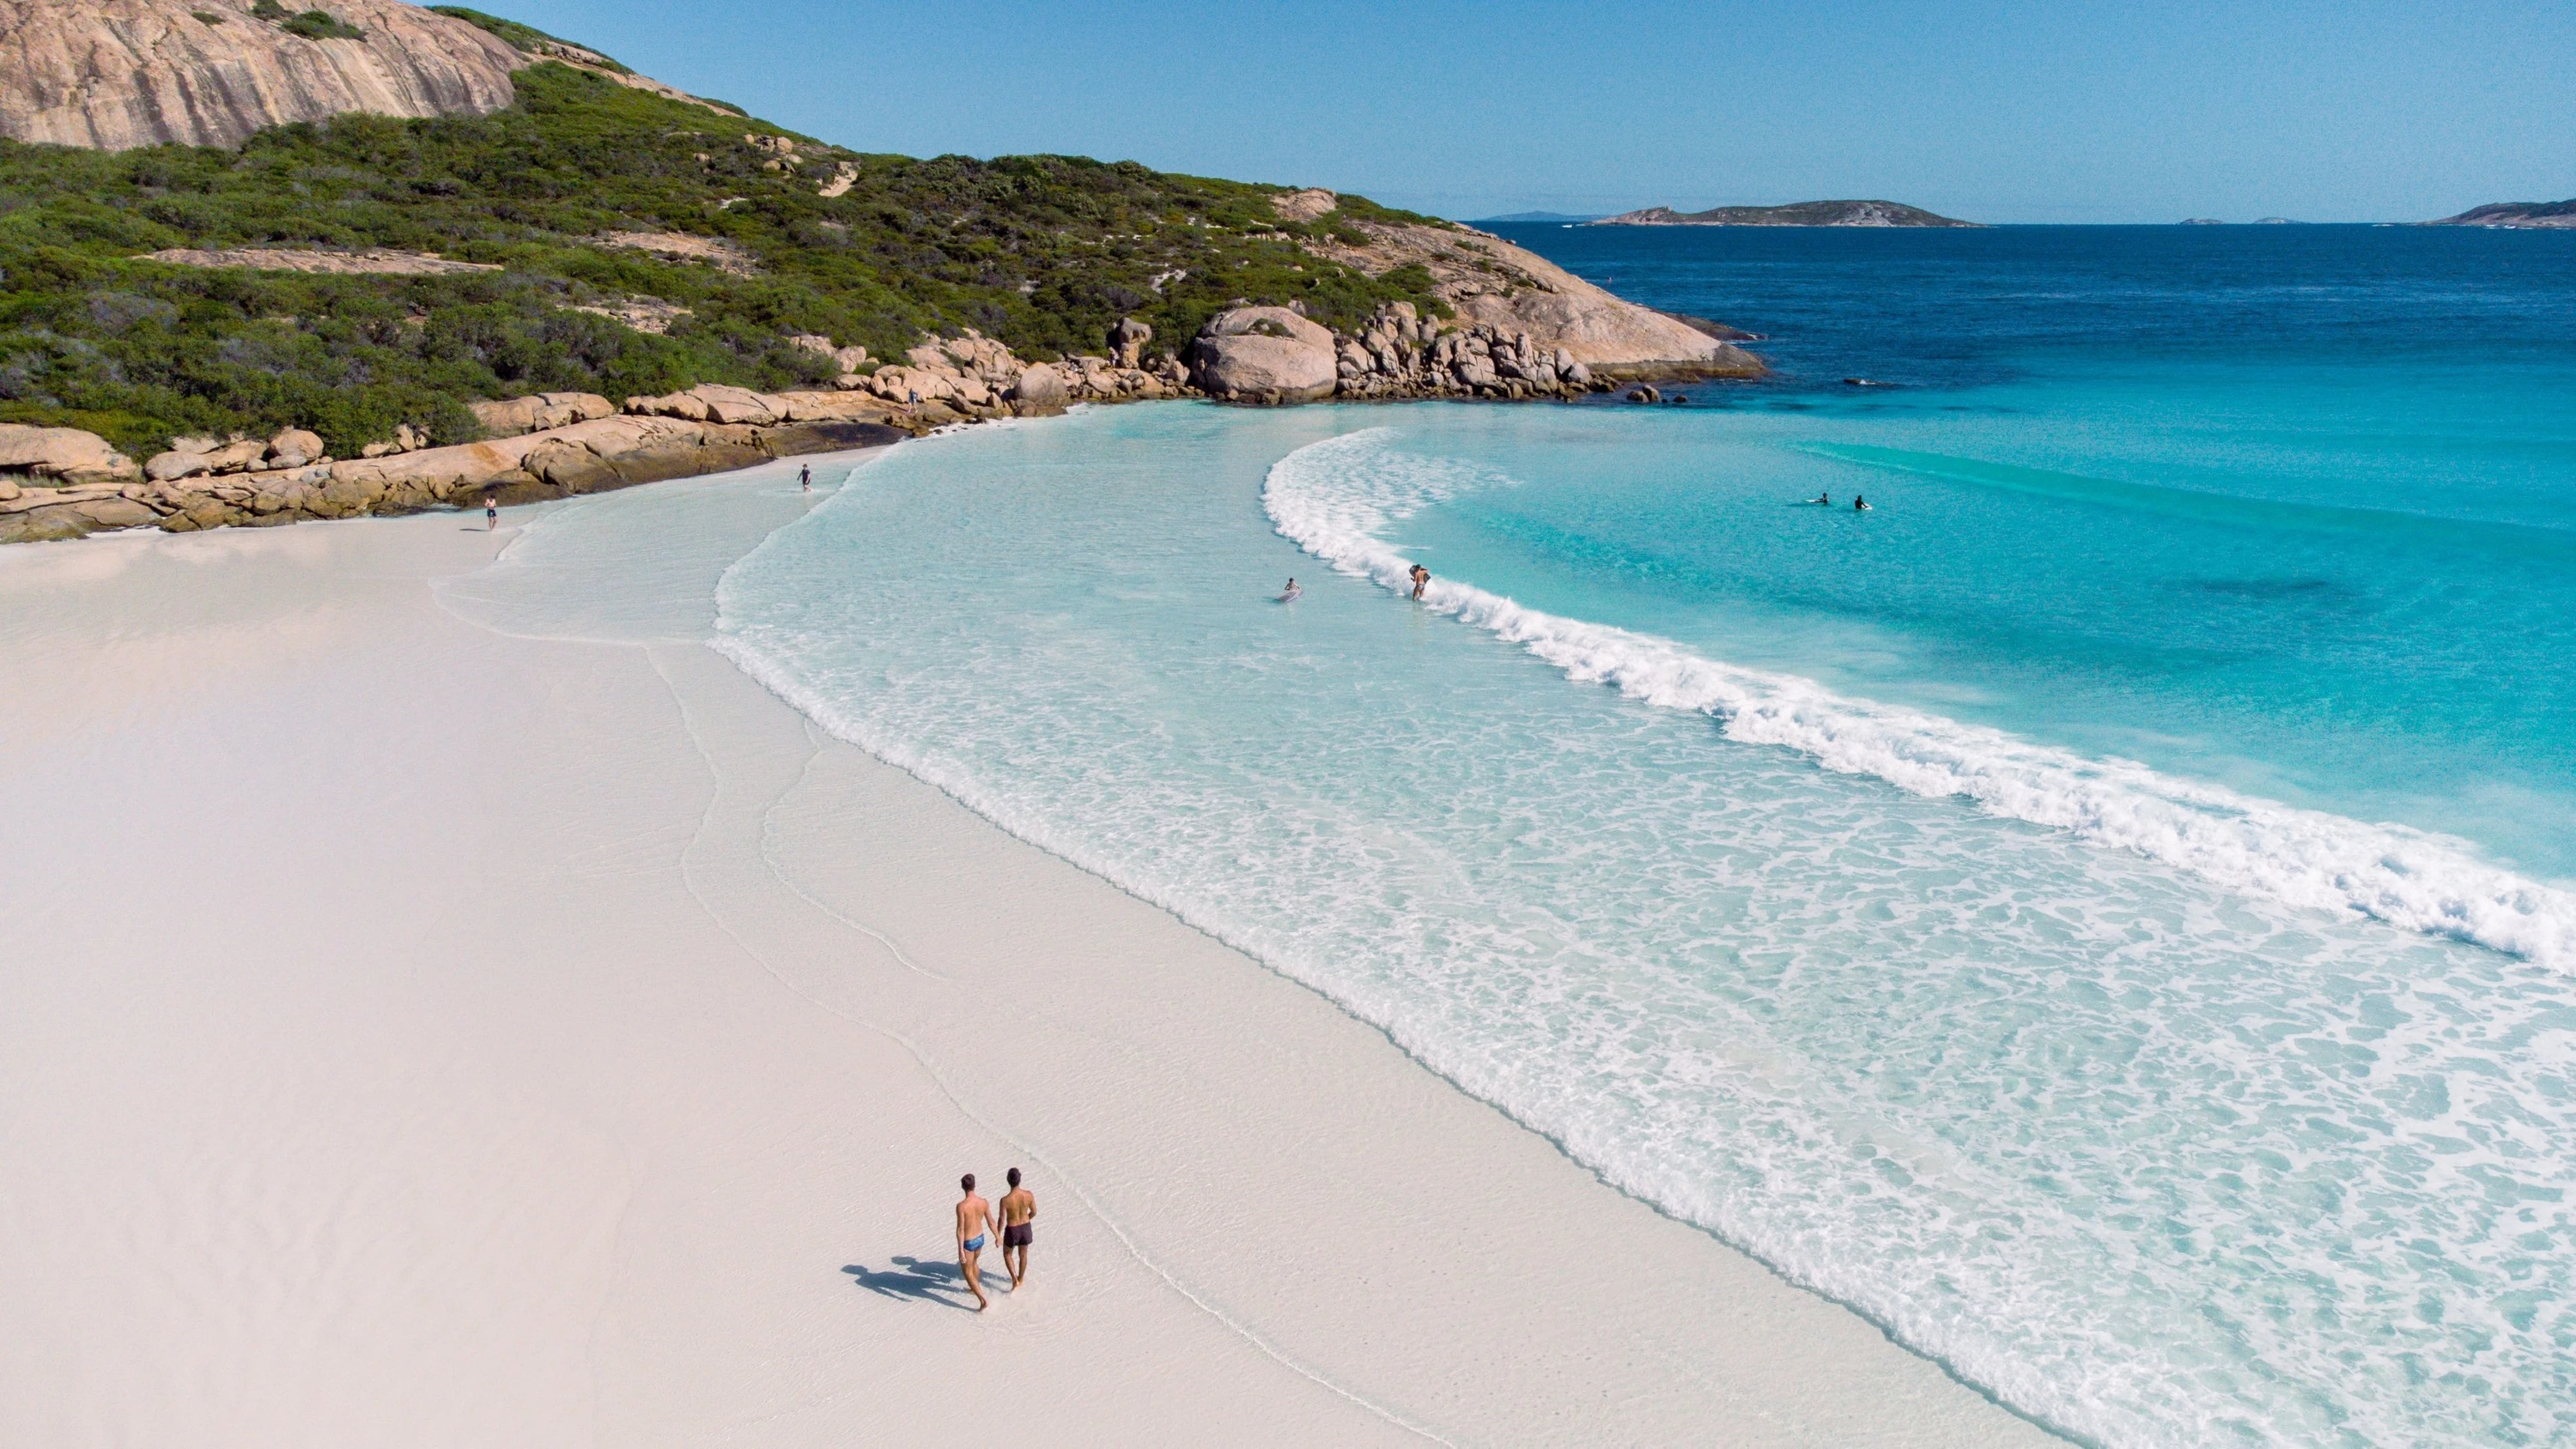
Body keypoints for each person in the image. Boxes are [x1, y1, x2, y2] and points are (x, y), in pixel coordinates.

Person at [955, 1173, 994, 1312]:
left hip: (969, 1242)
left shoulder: (962, 1206)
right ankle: (973, 1288)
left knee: (967, 1272)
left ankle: (983, 1300)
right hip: (980, 1238)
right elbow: (991, 1221)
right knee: (975, 1263)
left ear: (962, 1187)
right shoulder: (983, 1202)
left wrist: (960, 1249)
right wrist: (997, 1236)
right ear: (974, 1185)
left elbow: (960, 1229)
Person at [998, 1167, 1036, 1289]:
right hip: (1025, 1227)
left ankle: (1014, 1279)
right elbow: (1034, 1212)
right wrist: (1026, 1220)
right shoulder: (1028, 1195)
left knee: (1007, 1254)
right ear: (1020, 1179)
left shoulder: (1005, 1200)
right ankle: (1021, 1278)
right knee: (1023, 1255)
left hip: (1012, 1229)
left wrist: (998, 1235)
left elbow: (1002, 1219)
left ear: (1008, 1180)